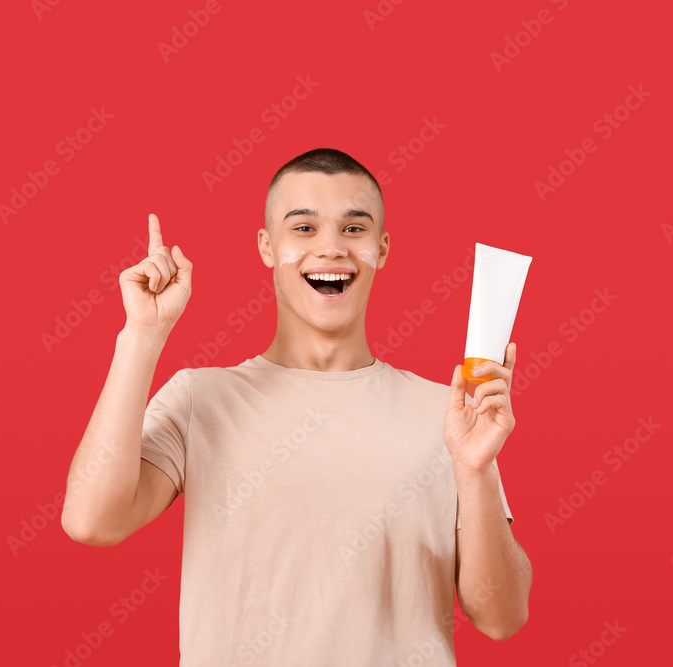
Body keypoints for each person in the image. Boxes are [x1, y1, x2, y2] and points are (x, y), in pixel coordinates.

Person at [61, 148, 532, 665]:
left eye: (354, 229)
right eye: (303, 228)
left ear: (383, 246)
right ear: (266, 245)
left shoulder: (447, 416)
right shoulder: (202, 398)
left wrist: (474, 469)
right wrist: (142, 336)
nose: (330, 248)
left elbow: (501, 617)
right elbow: (92, 521)